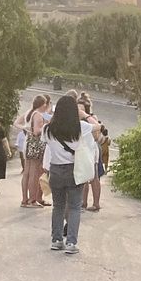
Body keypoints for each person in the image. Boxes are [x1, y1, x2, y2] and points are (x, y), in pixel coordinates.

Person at [41, 95, 99, 254]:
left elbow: (45, 143)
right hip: (75, 170)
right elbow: (99, 126)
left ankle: (56, 240)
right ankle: (71, 243)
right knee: (74, 207)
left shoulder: (48, 129)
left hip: (56, 170)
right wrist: (85, 115)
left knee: (58, 206)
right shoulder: (80, 126)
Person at [20, 95, 51, 208]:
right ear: (42, 104)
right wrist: (46, 126)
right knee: (34, 173)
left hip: (28, 143)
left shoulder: (30, 113)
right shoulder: (38, 115)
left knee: (27, 173)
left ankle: (25, 199)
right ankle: (32, 199)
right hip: (36, 145)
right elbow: (37, 131)